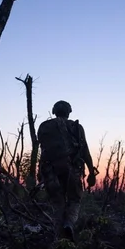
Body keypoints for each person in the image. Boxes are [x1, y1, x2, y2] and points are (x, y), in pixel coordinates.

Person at [36, 100, 97, 241]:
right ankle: (69, 224)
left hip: (50, 171)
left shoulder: (44, 127)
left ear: (54, 111)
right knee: (75, 200)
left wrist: (40, 173)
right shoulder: (76, 127)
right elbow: (85, 150)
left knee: (57, 203)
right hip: (72, 170)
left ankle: (59, 238)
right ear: (69, 112)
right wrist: (92, 172)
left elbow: (43, 152)